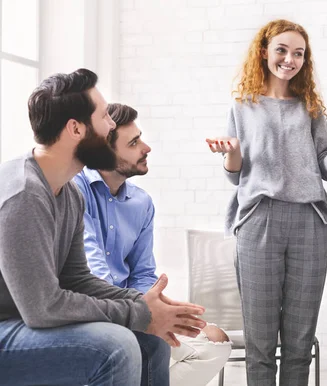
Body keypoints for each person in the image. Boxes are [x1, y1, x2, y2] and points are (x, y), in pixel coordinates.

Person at [0, 69, 205, 386]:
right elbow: (42, 308)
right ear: (76, 129)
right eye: (104, 117)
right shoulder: (24, 195)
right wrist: (139, 314)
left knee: (151, 341)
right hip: (8, 327)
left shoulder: (69, 193)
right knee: (115, 346)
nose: (111, 125)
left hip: (22, 320)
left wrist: (146, 305)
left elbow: (77, 279)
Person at [206, 19, 327, 386]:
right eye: (282, 50)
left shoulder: (310, 107)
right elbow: (235, 176)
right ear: (264, 52)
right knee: (261, 343)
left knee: (299, 341)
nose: (290, 59)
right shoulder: (242, 107)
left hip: (308, 221)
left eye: (298, 53)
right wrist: (232, 153)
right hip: (259, 222)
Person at [74, 102, 232, 385]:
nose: (146, 148)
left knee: (215, 341)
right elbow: (93, 270)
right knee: (152, 342)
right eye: (134, 143)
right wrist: (144, 312)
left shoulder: (141, 202)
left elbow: (143, 273)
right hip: (96, 313)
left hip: (132, 309)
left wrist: (157, 307)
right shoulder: (76, 190)